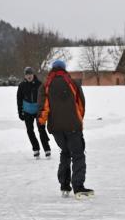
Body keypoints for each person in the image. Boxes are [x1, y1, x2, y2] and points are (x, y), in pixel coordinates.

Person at [39, 59, 92, 197]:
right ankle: (78, 187)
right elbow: (81, 104)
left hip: (56, 128)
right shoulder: (72, 83)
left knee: (65, 152)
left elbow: (43, 107)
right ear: (64, 69)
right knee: (78, 154)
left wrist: (42, 123)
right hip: (72, 125)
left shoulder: (46, 85)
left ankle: (64, 185)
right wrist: (79, 120)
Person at [17, 66, 52, 157]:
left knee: (41, 130)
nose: (29, 76)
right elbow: (19, 100)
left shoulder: (39, 84)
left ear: (33, 74)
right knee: (30, 131)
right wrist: (20, 112)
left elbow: (45, 98)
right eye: (27, 75)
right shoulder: (21, 85)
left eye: (30, 74)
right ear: (25, 76)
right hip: (27, 111)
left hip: (38, 111)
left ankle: (47, 149)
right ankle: (36, 148)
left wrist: (45, 110)